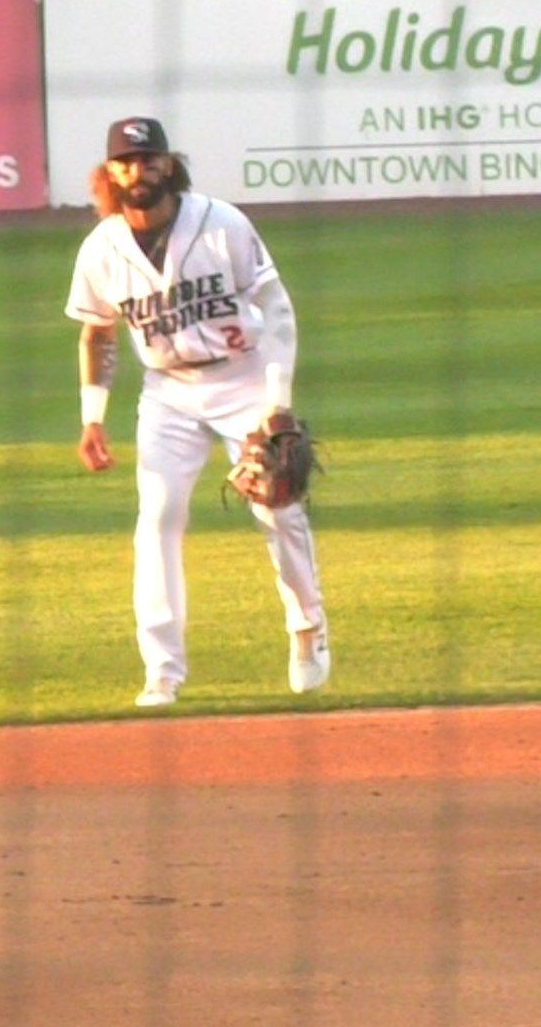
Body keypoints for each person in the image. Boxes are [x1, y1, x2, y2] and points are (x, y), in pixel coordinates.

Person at [65, 117, 330, 708]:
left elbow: (277, 308)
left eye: (150, 159)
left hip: (243, 379)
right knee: (156, 522)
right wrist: (93, 417)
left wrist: (277, 406)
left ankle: (307, 626)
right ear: (111, 172)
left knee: (278, 511)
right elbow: (97, 334)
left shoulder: (220, 223)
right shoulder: (101, 250)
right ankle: (162, 672)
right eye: (127, 162)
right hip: (168, 392)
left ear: (169, 163)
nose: (140, 171)